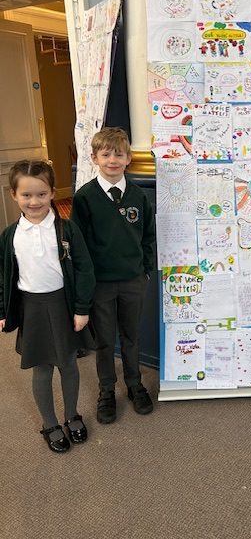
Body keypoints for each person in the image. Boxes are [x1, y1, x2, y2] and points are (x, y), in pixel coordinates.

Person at [0, 160, 95, 453]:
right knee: (41, 369)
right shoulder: (10, 235)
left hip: (62, 304)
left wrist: (82, 309)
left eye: (41, 194)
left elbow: (85, 270)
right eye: (26, 195)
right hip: (31, 308)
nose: (34, 201)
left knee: (68, 364)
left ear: (52, 192)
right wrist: (3, 311)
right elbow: (3, 277)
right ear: (14, 195)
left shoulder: (67, 230)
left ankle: (71, 415)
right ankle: (50, 423)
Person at [71, 127, 156, 424]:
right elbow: (78, 246)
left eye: (119, 154)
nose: (112, 160)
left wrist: (145, 270)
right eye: (106, 154)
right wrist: (86, 282)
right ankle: (106, 390)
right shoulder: (85, 198)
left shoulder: (137, 196)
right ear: (94, 158)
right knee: (106, 340)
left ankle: (134, 384)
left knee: (131, 336)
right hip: (101, 285)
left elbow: (148, 236)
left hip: (133, 281)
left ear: (128, 158)